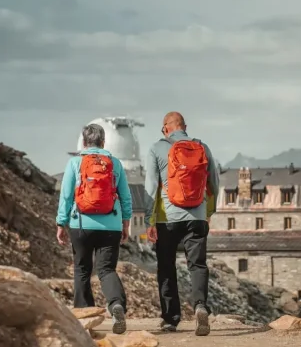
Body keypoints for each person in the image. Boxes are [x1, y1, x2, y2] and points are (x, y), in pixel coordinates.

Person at [142, 111, 219, 335]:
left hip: (168, 219)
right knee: (197, 265)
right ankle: (200, 306)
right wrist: (208, 212)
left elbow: (151, 186)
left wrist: (150, 220)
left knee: (166, 267)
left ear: (166, 128)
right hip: (196, 217)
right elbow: (213, 181)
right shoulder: (202, 147)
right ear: (185, 126)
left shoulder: (157, 148)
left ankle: (170, 319)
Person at [56, 123, 133, 334]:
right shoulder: (114, 164)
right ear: (103, 142)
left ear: (83, 142)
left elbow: (66, 196)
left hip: (80, 225)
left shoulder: (74, 163)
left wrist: (61, 223)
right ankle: (116, 304)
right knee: (106, 269)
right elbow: (126, 196)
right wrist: (125, 223)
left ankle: (84, 318)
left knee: (82, 270)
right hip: (111, 226)